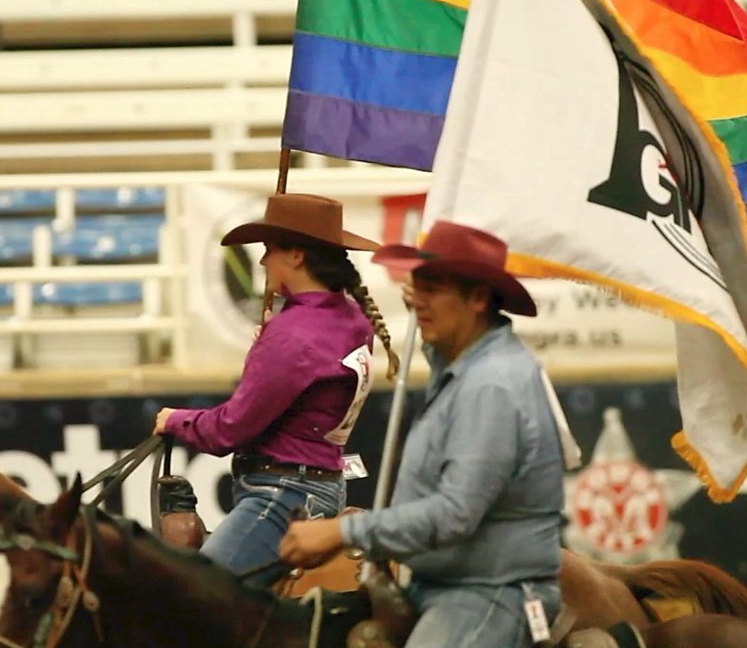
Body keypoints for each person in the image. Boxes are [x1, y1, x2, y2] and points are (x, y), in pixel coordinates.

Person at [279, 219, 567, 647]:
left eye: (434, 289)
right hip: (447, 585)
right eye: (417, 288)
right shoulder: (469, 366)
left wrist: (341, 533)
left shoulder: (492, 385)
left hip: (489, 593)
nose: (418, 303)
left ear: (478, 299)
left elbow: (454, 514)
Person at [153, 193, 399, 585]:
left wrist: (176, 421)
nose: (264, 260)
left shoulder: (293, 334)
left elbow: (228, 430)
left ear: (297, 256)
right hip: (324, 486)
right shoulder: (351, 319)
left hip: (281, 496)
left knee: (201, 596)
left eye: (270, 249)